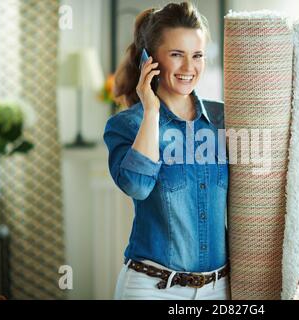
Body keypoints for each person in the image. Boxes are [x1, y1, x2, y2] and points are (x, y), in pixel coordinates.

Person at [103, 2, 229, 300]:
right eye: (176, 55)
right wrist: (151, 112)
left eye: (197, 55)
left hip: (219, 289)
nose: (189, 68)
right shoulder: (126, 125)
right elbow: (137, 186)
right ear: (150, 59)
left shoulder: (223, 119)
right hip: (153, 289)